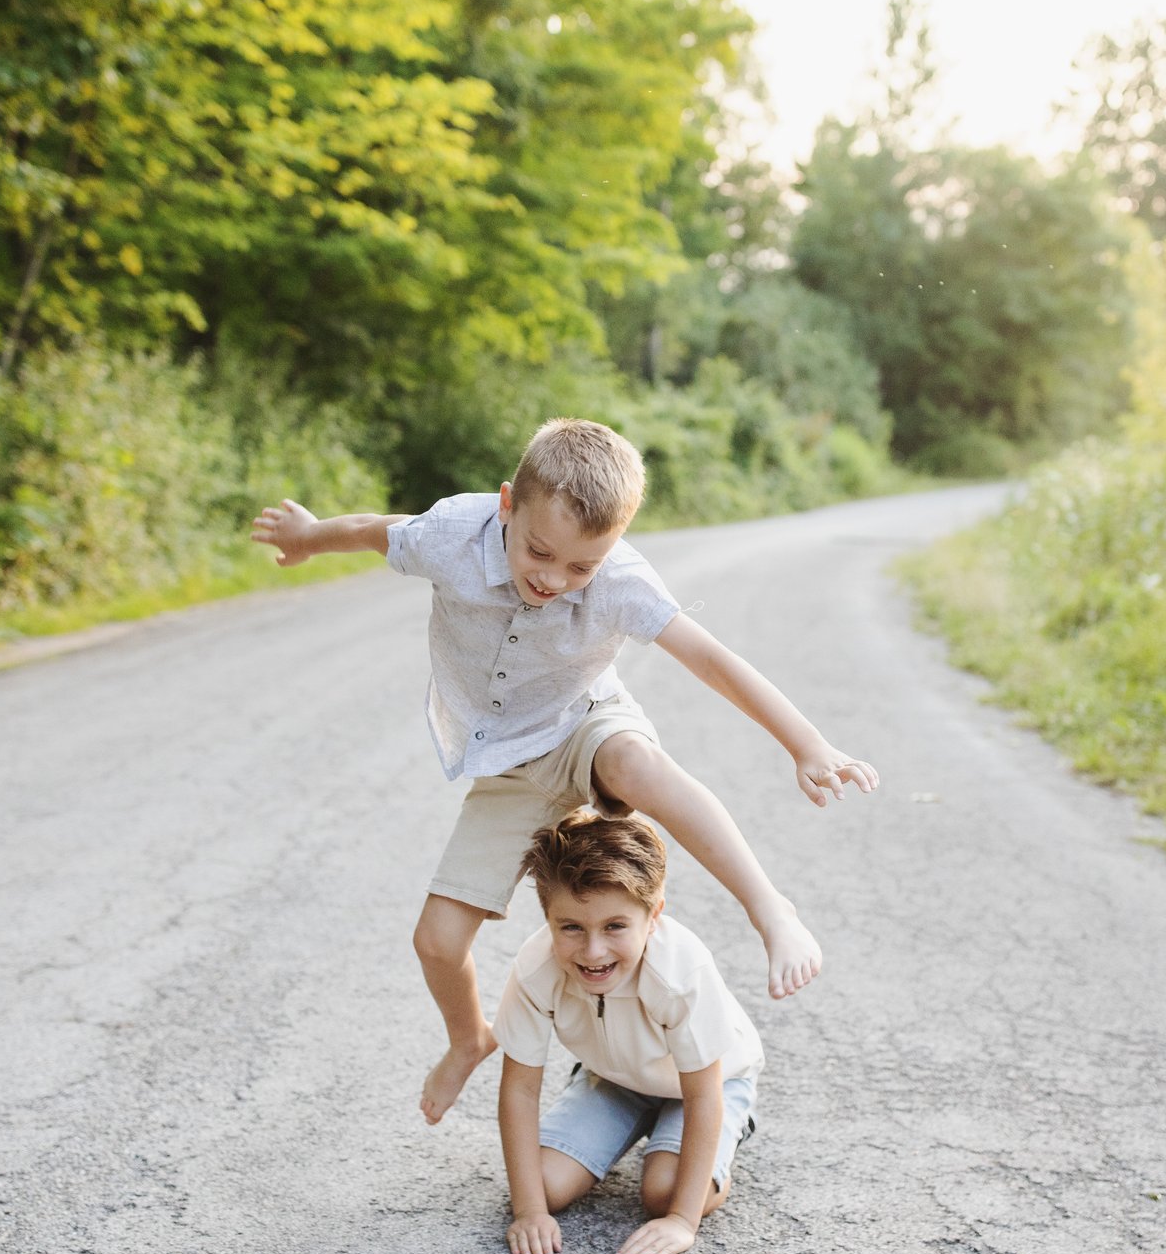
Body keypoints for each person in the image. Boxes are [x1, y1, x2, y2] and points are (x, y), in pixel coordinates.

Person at [249, 417, 875, 1122]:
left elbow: (712, 659)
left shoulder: (622, 580)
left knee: (636, 763)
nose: (554, 579)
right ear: (506, 504)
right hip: (509, 765)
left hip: (587, 721)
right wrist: (308, 536)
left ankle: (771, 909)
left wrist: (807, 743)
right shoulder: (455, 532)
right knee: (436, 940)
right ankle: (468, 1040)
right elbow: (375, 528)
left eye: (581, 567)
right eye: (540, 553)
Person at [494, 811, 760, 1254]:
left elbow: (703, 1094)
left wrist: (681, 1220)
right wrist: (529, 1211)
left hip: (705, 1086)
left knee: (663, 1193)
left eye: (615, 926)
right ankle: (630, 1122)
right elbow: (519, 1089)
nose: (593, 951)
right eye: (571, 927)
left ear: (653, 915)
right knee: (542, 1185)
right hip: (614, 1080)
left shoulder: (679, 973)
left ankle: (720, 1141)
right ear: (548, 919)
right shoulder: (536, 969)